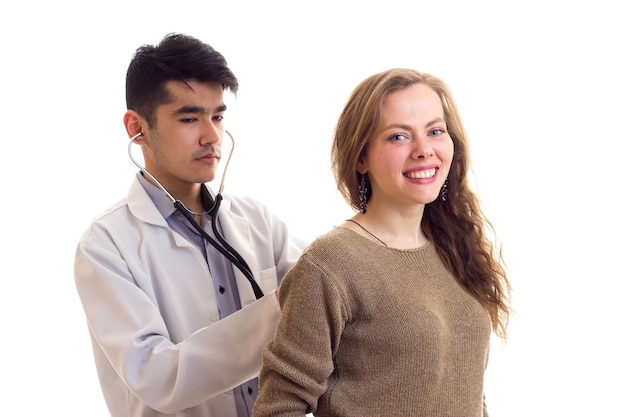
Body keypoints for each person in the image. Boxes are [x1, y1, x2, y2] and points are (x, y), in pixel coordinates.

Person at [252, 68, 511, 417]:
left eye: (435, 131)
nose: (424, 150)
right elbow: (278, 408)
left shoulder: (454, 246)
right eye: (398, 137)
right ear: (361, 157)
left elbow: (464, 391)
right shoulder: (330, 264)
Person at [74, 33, 306, 417]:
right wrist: (283, 307)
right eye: (189, 117)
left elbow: (326, 291)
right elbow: (157, 377)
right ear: (137, 127)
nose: (211, 135)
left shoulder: (256, 219)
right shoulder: (105, 246)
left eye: (217, 116)